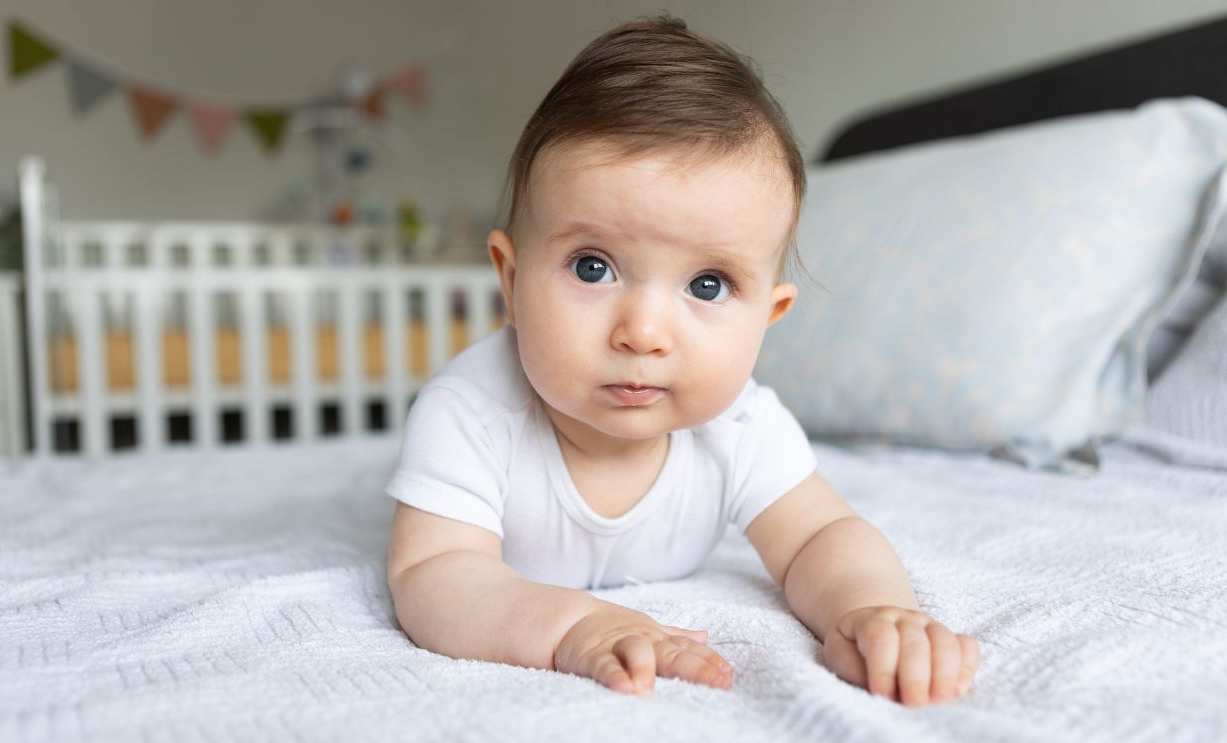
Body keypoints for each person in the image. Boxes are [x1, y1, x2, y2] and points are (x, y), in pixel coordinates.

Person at [385, 15, 979, 705]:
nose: (642, 332)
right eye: (592, 266)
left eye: (706, 285)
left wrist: (870, 607)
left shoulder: (741, 425)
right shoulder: (469, 412)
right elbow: (433, 572)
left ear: (768, 316)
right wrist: (571, 625)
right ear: (509, 281)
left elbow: (819, 533)